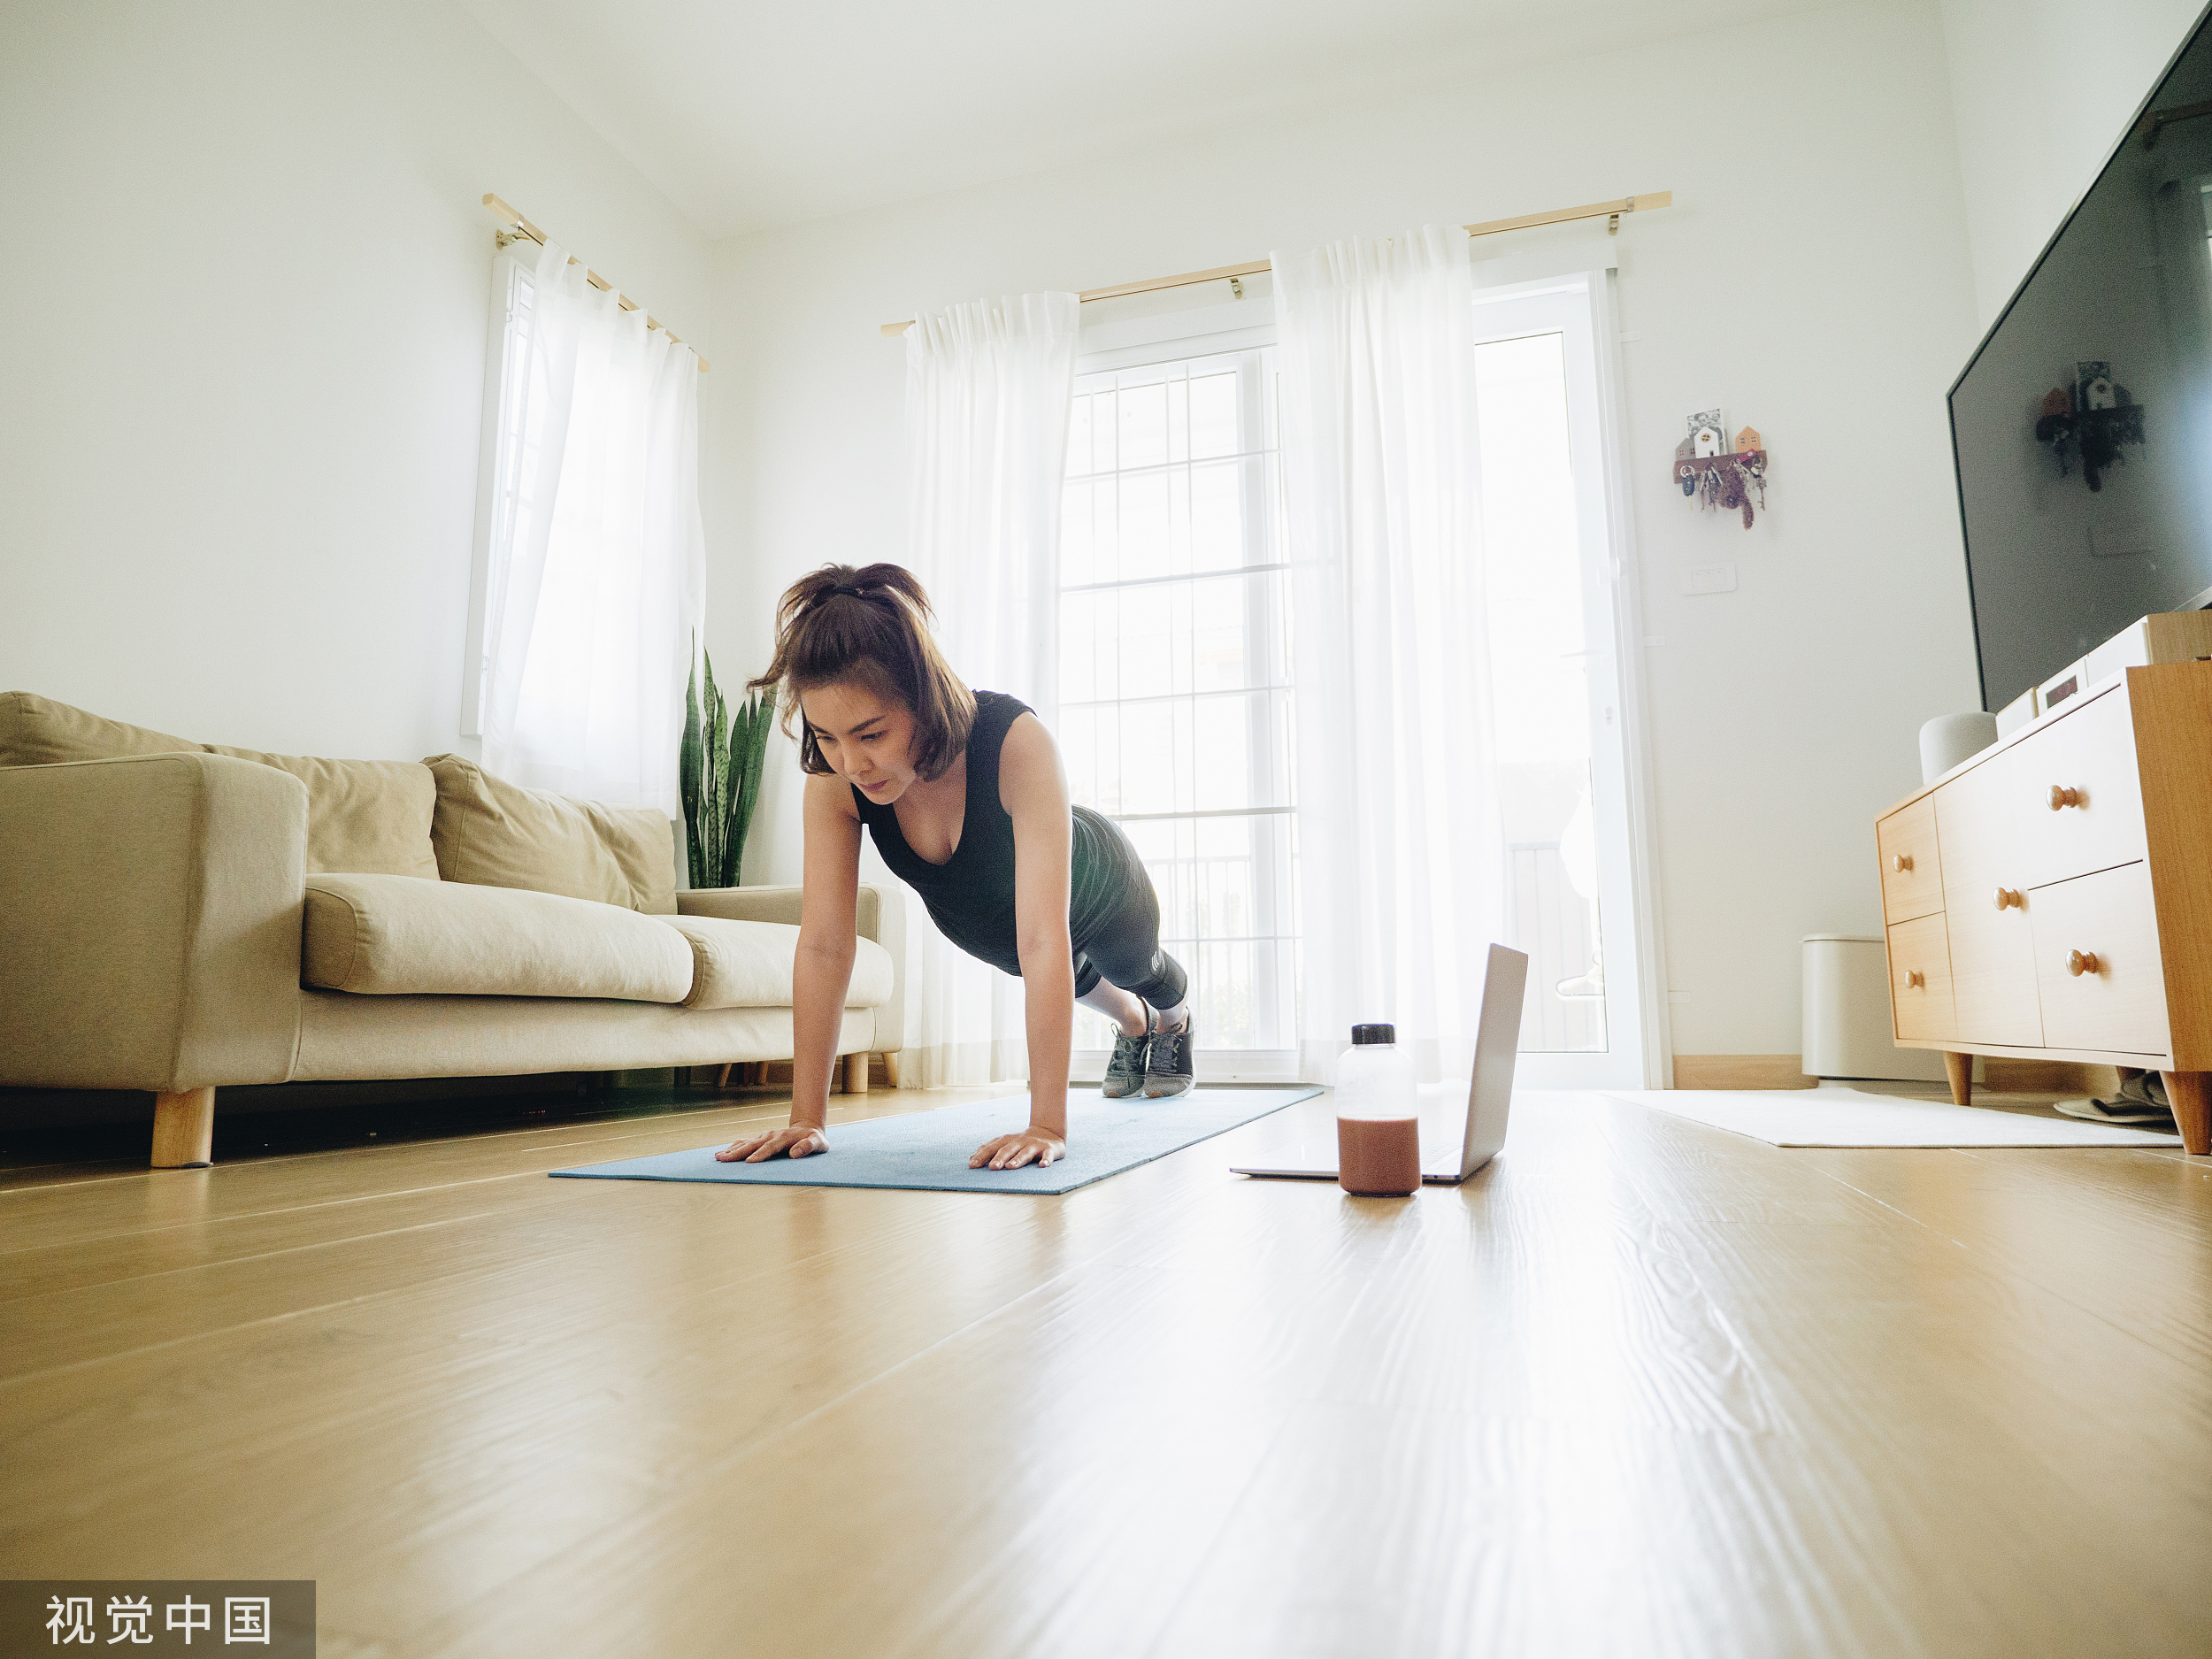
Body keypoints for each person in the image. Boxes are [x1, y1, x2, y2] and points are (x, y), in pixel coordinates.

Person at [715, 562, 1193, 1172]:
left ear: (920, 694)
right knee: (1062, 972)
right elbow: (825, 946)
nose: (852, 761)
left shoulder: (1016, 741)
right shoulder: (836, 780)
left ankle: (1172, 1019)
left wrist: (1046, 1124)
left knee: (1135, 966)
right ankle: (1132, 1026)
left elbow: (1046, 936)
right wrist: (806, 1118)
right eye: (828, 737)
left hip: (1101, 885)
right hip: (992, 924)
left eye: (871, 733)